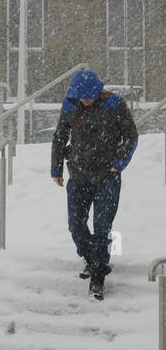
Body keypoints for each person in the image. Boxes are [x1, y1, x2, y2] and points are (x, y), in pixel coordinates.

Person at [50, 68, 137, 301]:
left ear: (98, 92)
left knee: (102, 228)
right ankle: (91, 259)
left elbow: (131, 135)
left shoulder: (114, 103)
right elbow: (60, 136)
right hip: (78, 174)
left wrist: (117, 163)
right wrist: (56, 169)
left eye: (89, 96)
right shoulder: (70, 105)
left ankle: (98, 276)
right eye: (82, 96)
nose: (85, 100)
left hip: (107, 176)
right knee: (75, 225)